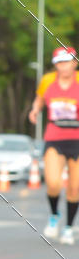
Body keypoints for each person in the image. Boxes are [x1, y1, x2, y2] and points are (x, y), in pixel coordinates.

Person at [29, 46, 79, 244]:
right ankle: (54, 215)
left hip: (77, 139)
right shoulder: (48, 80)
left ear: (74, 63)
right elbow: (40, 99)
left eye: (66, 62)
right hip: (55, 137)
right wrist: (35, 110)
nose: (62, 67)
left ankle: (68, 228)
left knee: (75, 187)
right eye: (59, 63)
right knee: (53, 183)